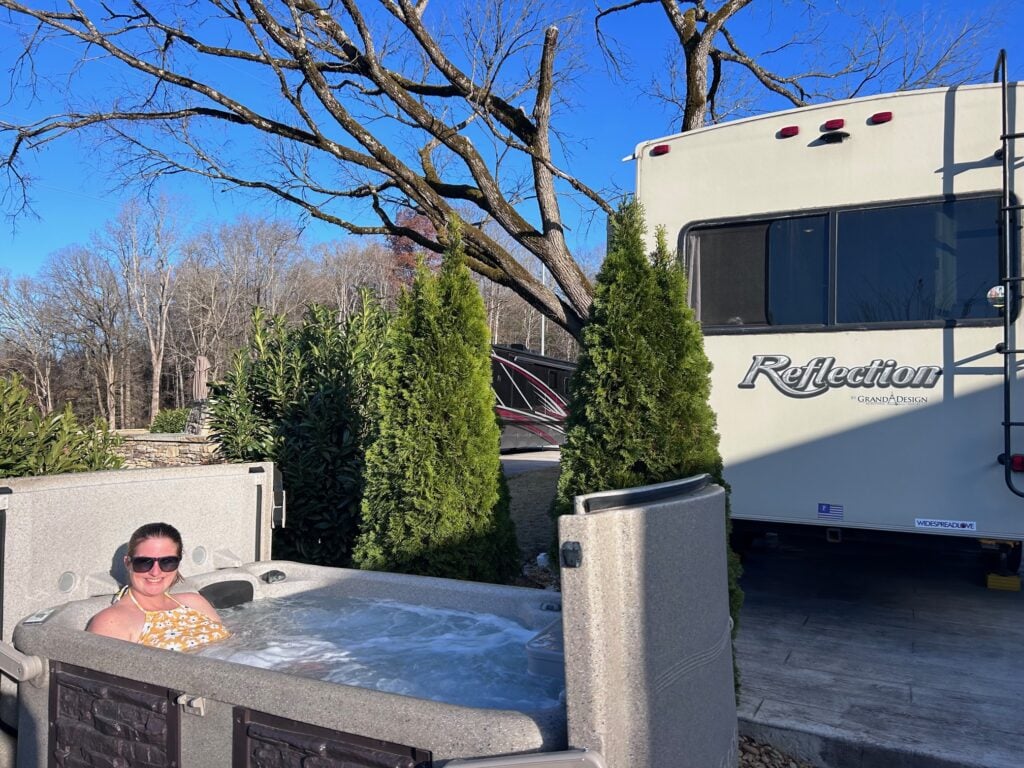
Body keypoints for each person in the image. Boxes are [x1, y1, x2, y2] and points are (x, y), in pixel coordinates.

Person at [87, 522, 231, 651]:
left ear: (178, 563)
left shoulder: (194, 602)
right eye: (144, 562)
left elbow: (231, 646)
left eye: (168, 562)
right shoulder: (112, 621)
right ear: (128, 563)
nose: (155, 572)